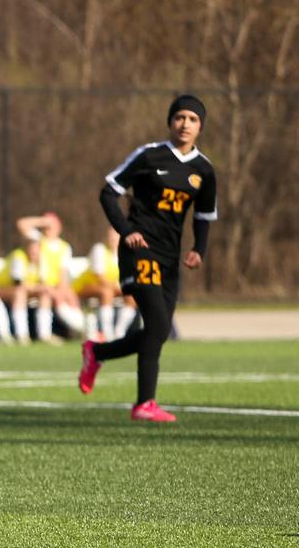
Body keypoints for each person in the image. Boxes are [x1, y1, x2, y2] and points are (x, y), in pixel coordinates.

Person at [76, 94, 219, 422]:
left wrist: (199, 248)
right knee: (157, 324)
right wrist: (126, 231)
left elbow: (204, 215)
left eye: (193, 119)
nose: (185, 124)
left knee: (159, 330)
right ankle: (144, 404)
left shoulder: (204, 170)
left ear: (200, 127)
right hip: (139, 250)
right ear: (170, 121)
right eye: (179, 117)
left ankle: (97, 352)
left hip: (170, 257)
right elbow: (108, 191)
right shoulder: (150, 155)